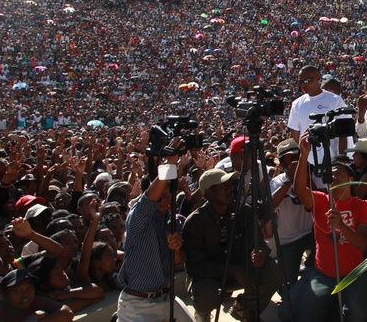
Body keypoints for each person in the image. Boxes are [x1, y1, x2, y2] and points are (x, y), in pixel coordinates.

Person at [279, 136, 367, 322]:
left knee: (359, 314)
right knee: (302, 316)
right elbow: (300, 191)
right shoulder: (321, 200)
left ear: (350, 177)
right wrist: (304, 155)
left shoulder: (364, 206)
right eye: (330, 173)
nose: (332, 175)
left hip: (353, 274)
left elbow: (363, 244)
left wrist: (341, 227)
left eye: (338, 171)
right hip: (323, 274)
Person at [183, 168, 280, 322]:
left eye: (231, 184)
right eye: (224, 186)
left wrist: (259, 253)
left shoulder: (244, 212)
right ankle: (203, 315)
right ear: (209, 194)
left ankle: (244, 309)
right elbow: (195, 267)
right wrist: (232, 270)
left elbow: (259, 244)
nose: (230, 189)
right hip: (211, 278)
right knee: (206, 293)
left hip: (241, 270)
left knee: (274, 269)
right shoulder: (195, 222)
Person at [115, 142, 192, 322]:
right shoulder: (138, 216)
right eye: (161, 192)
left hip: (166, 297)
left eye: (168, 192)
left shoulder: (172, 221)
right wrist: (170, 164)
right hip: (137, 304)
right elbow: (149, 199)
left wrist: (177, 248)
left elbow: (178, 261)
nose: (166, 196)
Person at [269, 138, 314, 286]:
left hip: (310, 233)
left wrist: (305, 178)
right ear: (282, 163)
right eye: (291, 159)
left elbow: (318, 201)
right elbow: (270, 205)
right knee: (287, 288)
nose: (294, 162)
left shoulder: (311, 176)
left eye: (297, 157)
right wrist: (289, 180)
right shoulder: (276, 182)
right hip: (288, 241)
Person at [287, 65, 349, 164]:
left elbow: (343, 136)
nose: (303, 84)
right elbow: (294, 137)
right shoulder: (297, 104)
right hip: (307, 165)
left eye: (307, 81)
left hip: (331, 163)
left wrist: (341, 163)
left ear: (318, 79)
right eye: (300, 81)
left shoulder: (335, 100)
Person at [0, 268, 73, 321]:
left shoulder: (34, 300)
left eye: (28, 288)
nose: (25, 294)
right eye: (17, 291)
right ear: (4, 295)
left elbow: (66, 312)